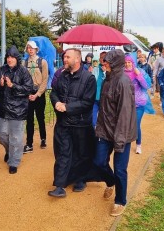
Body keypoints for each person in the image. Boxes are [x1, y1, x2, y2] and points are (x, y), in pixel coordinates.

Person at [93, 49, 137, 217]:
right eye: (104, 61)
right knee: (98, 162)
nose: (104, 64)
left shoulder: (124, 82)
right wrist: (99, 128)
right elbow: (104, 109)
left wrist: (119, 140)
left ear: (116, 64)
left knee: (120, 169)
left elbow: (125, 115)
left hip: (122, 133)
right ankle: (110, 181)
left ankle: (120, 200)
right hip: (105, 130)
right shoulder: (107, 80)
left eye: (107, 62)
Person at [48, 48, 96, 198]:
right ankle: (60, 185)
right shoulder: (62, 76)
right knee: (62, 153)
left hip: (81, 124)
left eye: (68, 57)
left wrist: (67, 107)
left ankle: (80, 179)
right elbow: (54, 92)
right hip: (63, 123)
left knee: (81, 154)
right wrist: (56, 103)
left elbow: (87, 102)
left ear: (77, 59)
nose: (65, 59)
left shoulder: (89, 78)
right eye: (64, 57)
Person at [0, 46, 33, 174]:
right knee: (1, 134)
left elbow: (28, 88)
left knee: (16, 137)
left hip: (18, 109)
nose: (9, 59)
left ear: (17, 58)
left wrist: (13, 86)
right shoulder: (1, 70)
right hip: (1, 108)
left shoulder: (23, 71)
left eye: (12, 57)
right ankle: (9, 151)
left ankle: (14, 161)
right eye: (8, 57)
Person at [124, 54, 154, 154]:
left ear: (133, 63)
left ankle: (138, 145)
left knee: (136, 125)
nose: (127, 64)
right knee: (125, 124)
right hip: (125, 104)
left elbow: (146, 86)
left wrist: (139, 76)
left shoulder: (139, 71)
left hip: (139, 103)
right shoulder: (121, 73)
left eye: (129, 62)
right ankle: (125, 143)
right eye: (126, 62)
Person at [23, 41, 49, 153]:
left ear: (36, 49)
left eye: (32, 48)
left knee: (40, 117)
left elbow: (45, 80)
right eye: (28, 47)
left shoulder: (42, 62)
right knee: (29, 120)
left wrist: (38, 94)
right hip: (28, 94)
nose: (30, 49)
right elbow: (22, 79)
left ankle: (43, 138)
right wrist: (27, 93)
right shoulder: (24, 63)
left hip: (39, 93)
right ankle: (29, 144)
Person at [93, 51, 107, 127]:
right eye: (101, 58)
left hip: (104, 99)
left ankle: (101, 137)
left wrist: (105, 72)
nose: (103, 59)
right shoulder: (95, 69)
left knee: (103, 120)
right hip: (95, 98)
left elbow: (110, 81)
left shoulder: (110, 70)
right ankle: (94, 137)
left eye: (104, 58)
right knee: (93, 120)